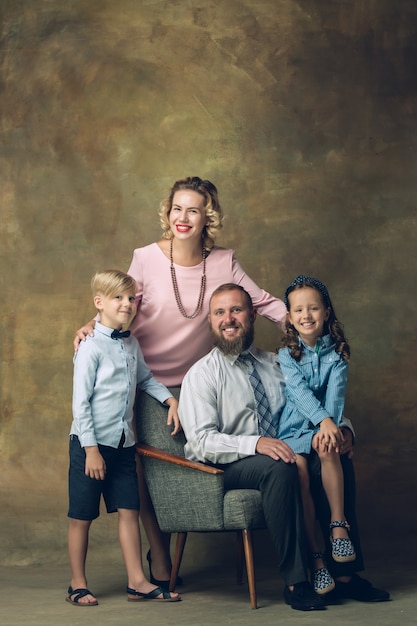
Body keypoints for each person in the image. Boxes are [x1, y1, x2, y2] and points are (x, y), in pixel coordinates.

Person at [74, 176, 287, 588]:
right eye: (177, 209)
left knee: (187, 466)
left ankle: (169, 550)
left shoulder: (224, 261)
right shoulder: (145, 257)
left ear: (208, 216)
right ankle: (160, 556)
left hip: (193, 385)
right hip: (141, 380)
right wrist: (89, 326)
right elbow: (124, 303)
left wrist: (301, 323)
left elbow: (260, 301)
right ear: (167, 213)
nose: (183, 218)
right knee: (145, 471)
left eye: (193, 209)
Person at [178, 283, 390, 609]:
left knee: (330, 453)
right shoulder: (203, 374)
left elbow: (311, 407)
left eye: (236, 310)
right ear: (210, 320)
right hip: (226, 463)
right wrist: (257, 443)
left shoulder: (277, 363)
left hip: (285, 448)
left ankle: (345, 575)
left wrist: (344, 431)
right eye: (220, 312)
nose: (229, 319)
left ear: (252, 316)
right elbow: (201, 441)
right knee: (282, 467)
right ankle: (297, 582)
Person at [67, 270, 181, 606]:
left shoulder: (131, 343)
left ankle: (137, 581)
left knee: (130, 510)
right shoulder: (90, 347)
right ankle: (77, 583)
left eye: (131, 298)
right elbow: (80, 405)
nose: (127, 304)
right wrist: (90, 450)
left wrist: (170, 399)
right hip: (90, 445)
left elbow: (146, 379)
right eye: (118, 298)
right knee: (82, 516)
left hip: (123, 444)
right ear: (99, 303)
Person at [277, 275, 355, 596]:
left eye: (313, 308)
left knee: (328, 449)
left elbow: (336, 396)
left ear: (326, 312)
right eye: (298, 310)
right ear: (290, 318)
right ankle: (317, 559)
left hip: (325, 429)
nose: (306, 316)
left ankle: (338, 528)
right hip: (294, 431)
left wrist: (330, 425)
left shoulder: (338, 354)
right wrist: (324, 421)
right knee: (299, 474)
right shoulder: (286, 355)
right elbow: (298, 394)